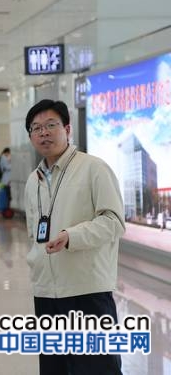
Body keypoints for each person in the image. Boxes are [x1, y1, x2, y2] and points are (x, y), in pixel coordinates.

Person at [24, 99, 125, 375]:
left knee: (97, 368)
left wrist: (72, 236)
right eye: (36, 128)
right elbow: (34, 231)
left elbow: (114, 221)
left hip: (86, 291)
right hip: (46, 292)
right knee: (54, 368)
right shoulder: (34, 180)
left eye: (51, 125)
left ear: (67, 129)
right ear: (31, 136)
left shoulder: (94, 168)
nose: (44, 132)